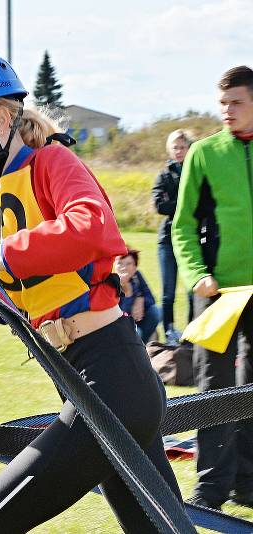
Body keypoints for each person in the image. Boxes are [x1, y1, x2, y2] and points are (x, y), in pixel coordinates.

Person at [0, 48, 181, 533]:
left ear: (0, 119)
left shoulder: (52, 163)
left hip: (113, 381)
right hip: (87, 386)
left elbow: (91, 227)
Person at [171, 65, 253, 511]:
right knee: (213, 392)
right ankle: (209, 490)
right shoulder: (203, 153)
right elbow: (182, 224)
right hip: (216, 293)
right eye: (222, 103)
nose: (227, 110)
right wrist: (197, 274)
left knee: (252, 389)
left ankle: (249, 482)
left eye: (236, 102)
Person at [152, 129, 194, 344]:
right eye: (175, 147)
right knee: (168, 293)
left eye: (182, 147)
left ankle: (192, 334)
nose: (178, 151)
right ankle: (169, 333)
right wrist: (183, 206)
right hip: (167, 239)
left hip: (191, 238)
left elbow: (201, 204)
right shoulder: (164, 175)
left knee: (192, 292)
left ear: (189, 148)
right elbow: (159, 205)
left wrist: (174, 204)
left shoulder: (196, 172)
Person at [115, 249, 161, 342]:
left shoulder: (137, 277)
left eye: (128, 264)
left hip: (138, 321)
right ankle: (138, 346)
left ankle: (141, 344)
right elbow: (121, 316)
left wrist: (140, 299)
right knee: (137, 332)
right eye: (120, 263)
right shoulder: (111, 282)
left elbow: (151, 299)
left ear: (135, 267)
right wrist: (128, 292)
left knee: (155, 311)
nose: (123, 267)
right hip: (120, 326)